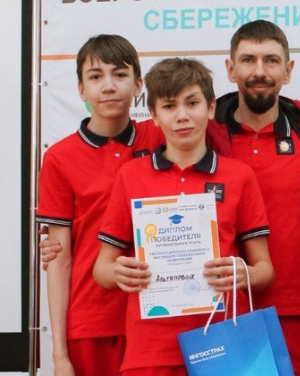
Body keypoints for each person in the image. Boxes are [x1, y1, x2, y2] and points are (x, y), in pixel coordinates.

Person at [40, 21, 300, 376]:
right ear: (231, 69)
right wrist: (68, 239)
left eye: (271, 60)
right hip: (214, 315)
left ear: (289, 69)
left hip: (293, 306)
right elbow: (127, 134)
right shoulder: (202, 125)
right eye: (248, 60)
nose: (259, 71)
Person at [92, 57, 275, 376]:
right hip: (150, 350)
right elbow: (101, 270)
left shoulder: (239, 176)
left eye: (192, 103)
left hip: (223, 347)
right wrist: (118, 272)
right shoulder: (131, 176)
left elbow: (265, 270)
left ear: (211, 107)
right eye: (169, 106)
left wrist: (245, 274)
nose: (182, 116)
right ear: (153, 114)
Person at [36, 35, 163, 376]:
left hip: (160, 316)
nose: (108, 86)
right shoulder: (59, 158)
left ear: (139, 85)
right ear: (81, 89)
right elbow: (59, 259)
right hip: (92, 322)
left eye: (119, 74)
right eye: (95, 76)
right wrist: (60, 355)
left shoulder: (162, 137)